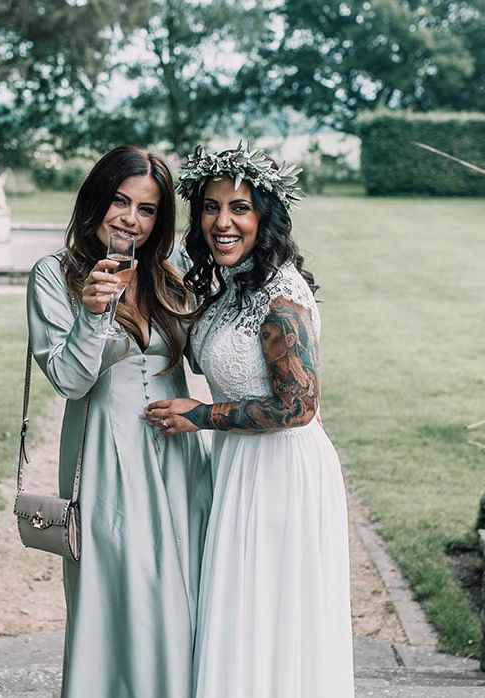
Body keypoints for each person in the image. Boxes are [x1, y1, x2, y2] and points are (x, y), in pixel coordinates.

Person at [145, 144, 354, 697]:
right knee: (241, 612)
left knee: (272, 614)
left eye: (239, 207)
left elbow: (297, 406)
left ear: (265, 215)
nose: (223, 221)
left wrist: (201, 414)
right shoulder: (229, 285)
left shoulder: (281, 298)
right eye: (211, 208)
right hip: (239, 463)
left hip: (282, 471)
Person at [26, 145, 212, 698]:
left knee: (186, 580)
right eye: (120, 201)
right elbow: (70, 381)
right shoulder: (54, 274)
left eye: (148, 209)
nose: (131, 218)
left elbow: (206, 355)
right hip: (107, 453)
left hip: (178, 451)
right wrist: (91, 314)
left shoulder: (169, 271)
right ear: (96, 200)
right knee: (124, 589)